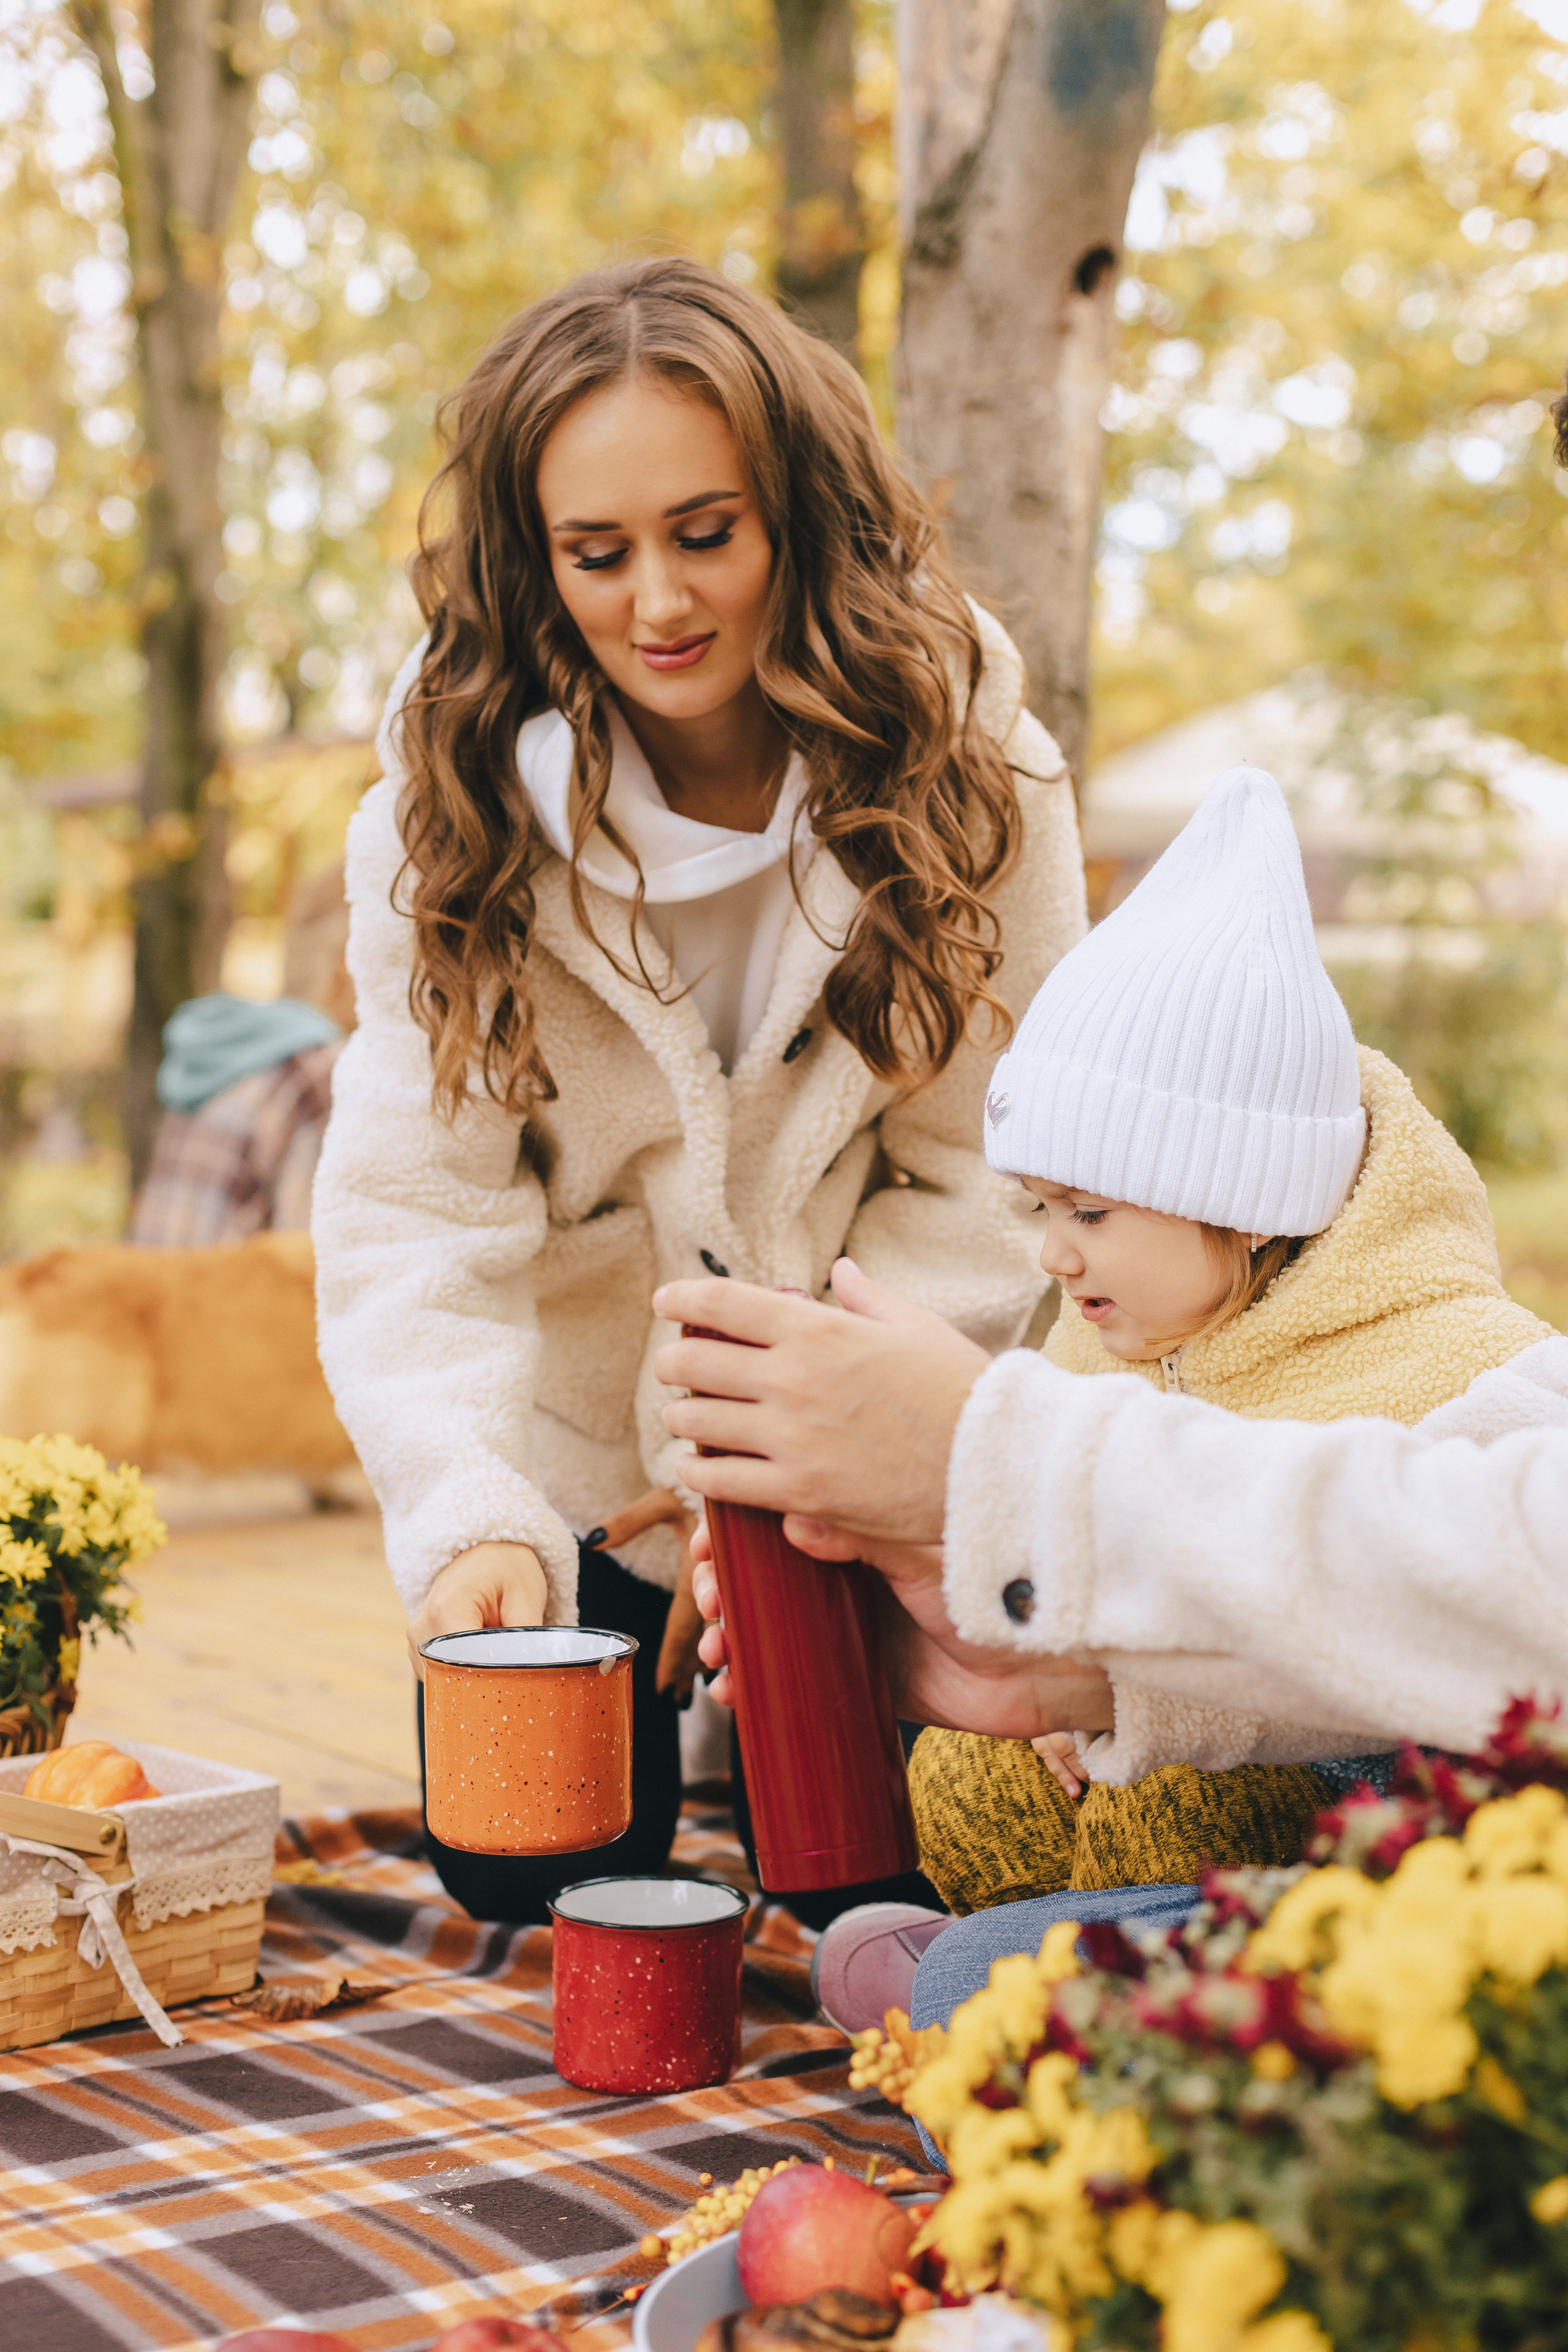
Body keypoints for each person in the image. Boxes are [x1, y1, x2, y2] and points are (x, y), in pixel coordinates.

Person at [311, 254, 1087, 1926]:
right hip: (587, 1450)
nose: (657, 601)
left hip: (865, 1428)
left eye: (706, 533)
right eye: (599, 554)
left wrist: (808, 1450)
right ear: (536, 564)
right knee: (536, 1874)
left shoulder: (976, 770)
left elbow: (1002, 1172)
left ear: (798, 519)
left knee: (881, 1881)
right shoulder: (442, 822)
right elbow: (414, 1223)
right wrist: (473, 1518)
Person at [899, 762, 1550, 1921]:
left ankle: (1028, 1998)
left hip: (1363, 1813)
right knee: (961, 1768)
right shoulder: (1100, 1335)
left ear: (1244, 1202)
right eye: (1042, 1210)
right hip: (1120, 1758)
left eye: (1090, 1215)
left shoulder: (1464, 1367)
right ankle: (1010, 1966)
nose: (1055, 1253)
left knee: (1185, 1799)